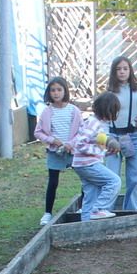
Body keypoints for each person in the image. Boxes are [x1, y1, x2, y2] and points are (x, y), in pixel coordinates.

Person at [104, 56, 137, 211]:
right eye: (118, 69)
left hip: (133, 136)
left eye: (125, 68)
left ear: (130, 70)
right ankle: (106, 210)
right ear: (114, 72)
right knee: (112, 176)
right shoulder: (109, 91)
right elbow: (101, 115)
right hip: (113, 138)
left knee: (133, 177)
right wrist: (107, 137)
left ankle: (130, 210)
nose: (122, 72)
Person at [33, 76, 81, 225]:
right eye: (53, 90)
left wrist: (71, 143)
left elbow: (82, 131)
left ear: (65, 91)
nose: (56, 93)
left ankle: (84, 206)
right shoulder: (47, 111)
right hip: (55, 151)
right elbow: (38, 132)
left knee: (86, 178)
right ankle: (47, 212)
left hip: (72, 151)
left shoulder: (74, 110)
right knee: (53, 181)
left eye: (59, 89)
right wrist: (52, 140)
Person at [69, 93, 123, 221]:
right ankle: (98, 209)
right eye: (115, 111)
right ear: (108, 110)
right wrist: (98, 152)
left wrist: (104, 152)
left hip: (83, 163)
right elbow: (80, 144)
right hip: (87, 164)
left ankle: (86, 226)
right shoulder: (94, 123)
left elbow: (92, 143)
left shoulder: (94, 122)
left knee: (91, 195)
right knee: (114, 181)